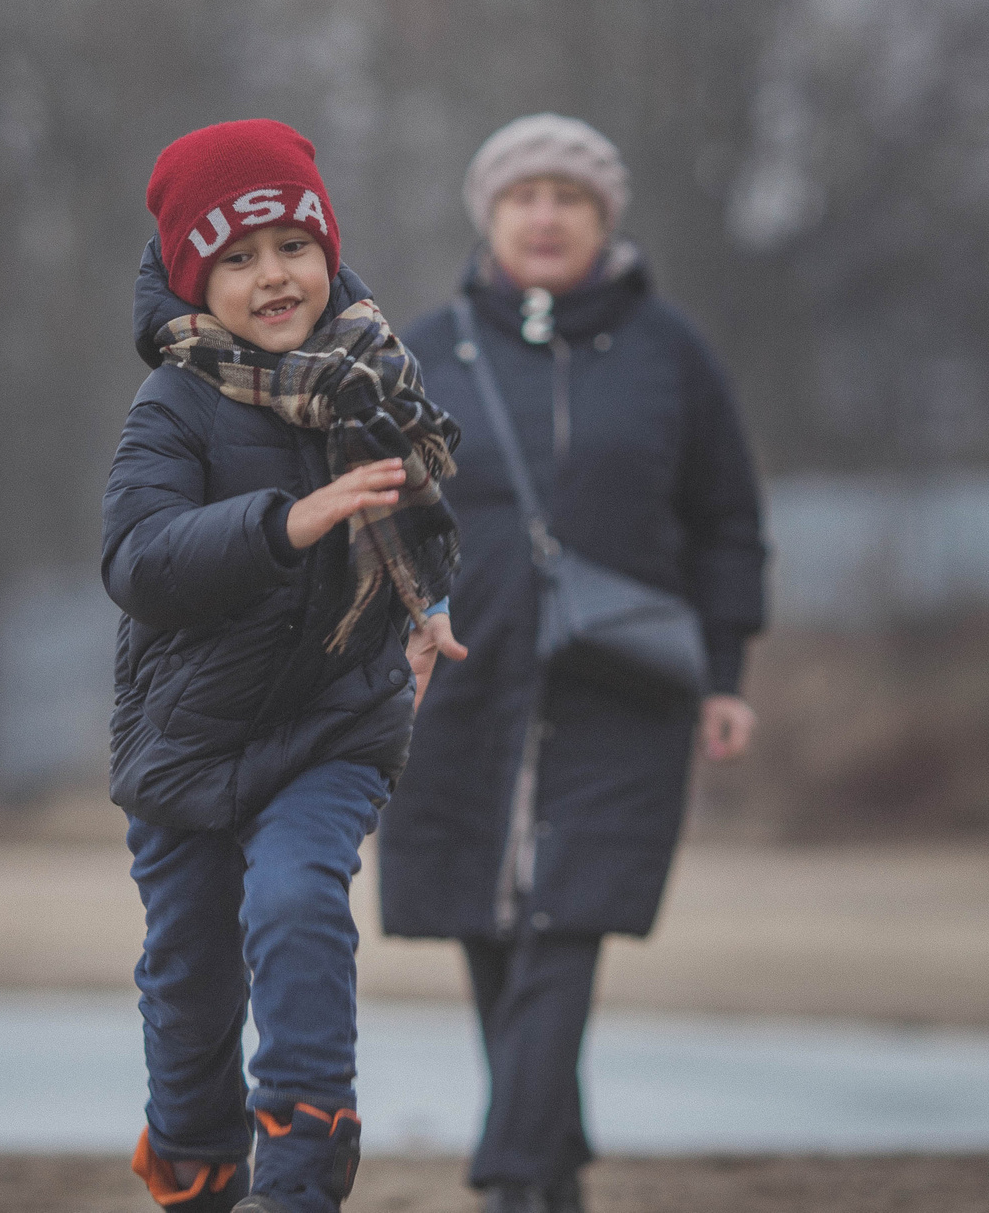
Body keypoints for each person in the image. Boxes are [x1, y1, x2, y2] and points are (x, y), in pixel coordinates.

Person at [380, 114, 768, 1213]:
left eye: (569, 196)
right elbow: (377, 519)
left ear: (604, 219)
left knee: (570, 912)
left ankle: (510, 1174)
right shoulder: (424, 348)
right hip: (457, 676)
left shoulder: (670, 350)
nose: (544, 215)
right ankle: (550, 1167)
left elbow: (726, 519)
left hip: (625, 683)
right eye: (522, 196)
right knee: (486, 919)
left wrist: (728, 669)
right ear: (489, 216)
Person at [105, 118, 469, 1213]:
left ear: (327, 251)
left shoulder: (373, 378)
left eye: (292, 246)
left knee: (299, 904)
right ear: (192, 280)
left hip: (331, 723)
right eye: (237, 257)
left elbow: (426, 521)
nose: (274, 277)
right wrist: (286, 520)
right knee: (189, 987)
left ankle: (300, 1185)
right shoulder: (171, 406)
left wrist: (430, 605)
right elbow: (137, 560)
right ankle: (199, 1175)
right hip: (188, 743)